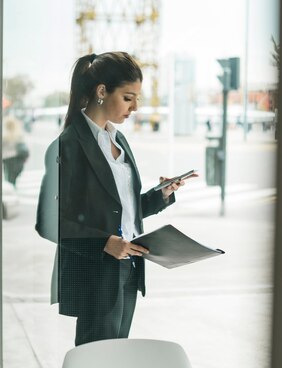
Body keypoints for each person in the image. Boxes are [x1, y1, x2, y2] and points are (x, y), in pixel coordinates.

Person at [35, 51, 196, 346]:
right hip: (96, 274)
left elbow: (122, 208)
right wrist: (104, 243)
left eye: (137, 99)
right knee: (95, 359)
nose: (135, 107)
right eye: (128, 97)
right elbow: (48, 223)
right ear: (101, 92)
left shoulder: (118, 139)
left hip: (128, 268)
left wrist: (162, 195)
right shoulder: (68, 145)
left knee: (116, 356)